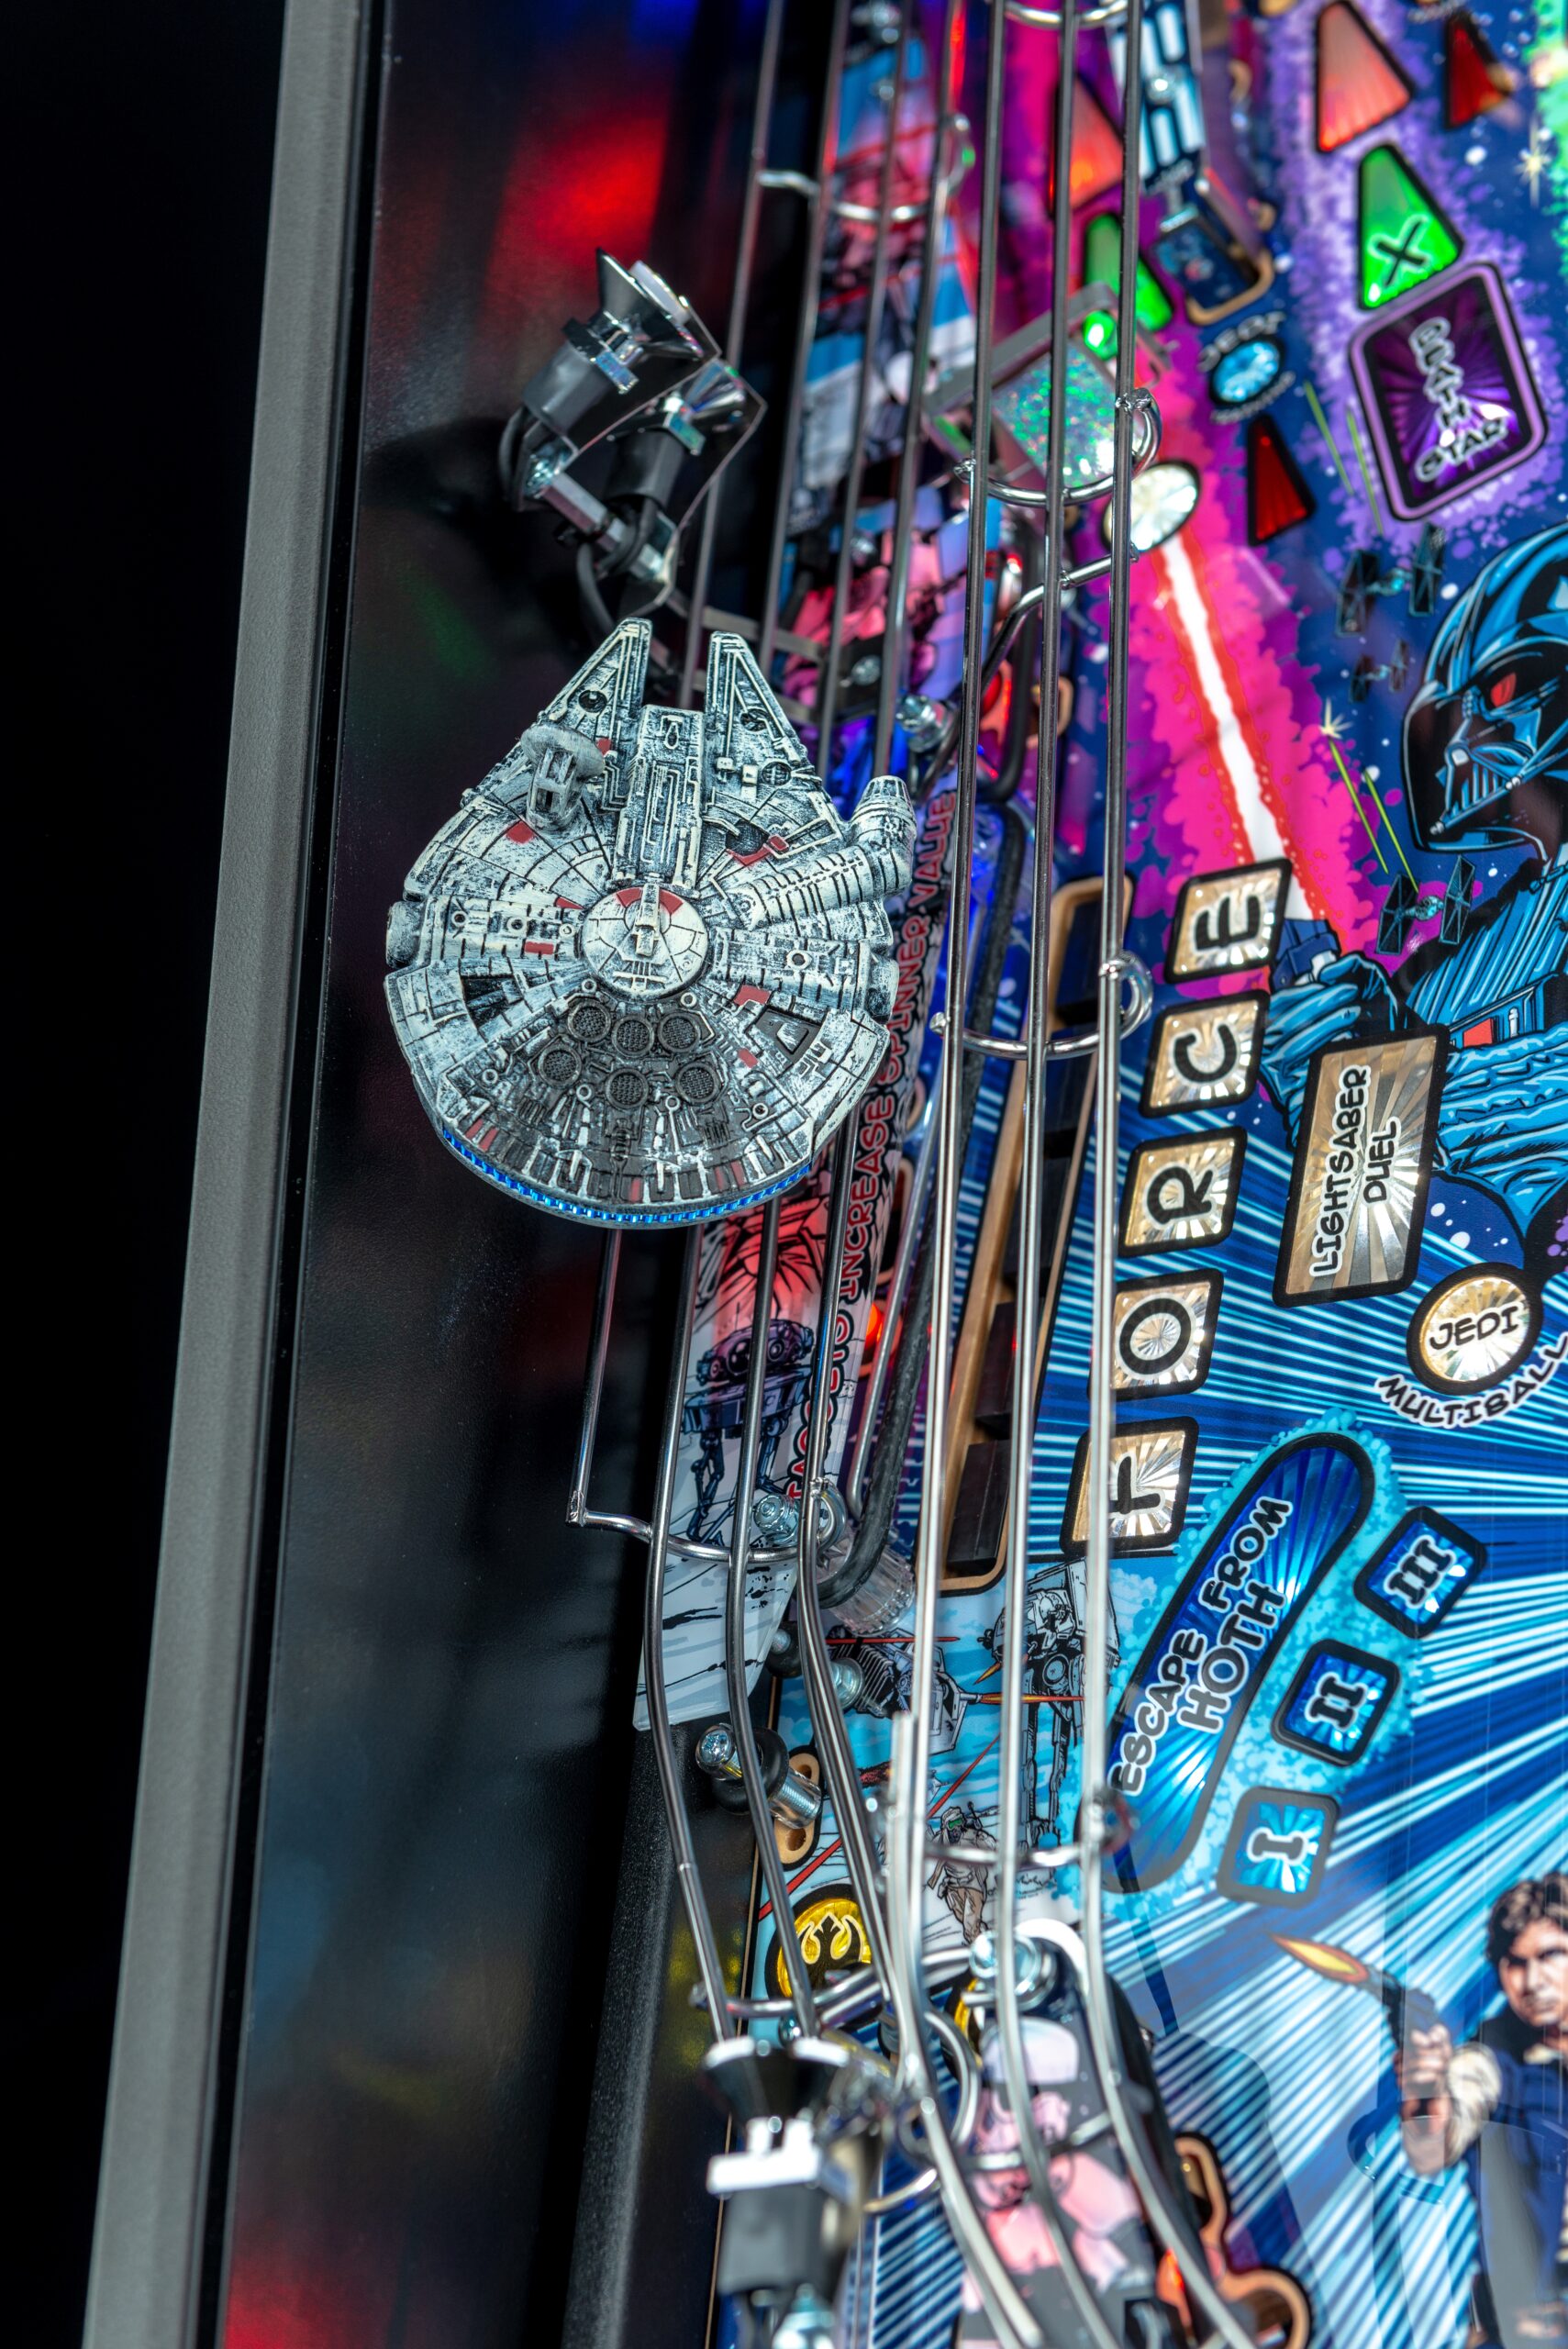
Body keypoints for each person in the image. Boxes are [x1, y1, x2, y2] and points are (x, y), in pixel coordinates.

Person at [1399, 1871, 1567, 2347]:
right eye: (1515, 1963)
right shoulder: (1491, 2056)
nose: (1532, 1981)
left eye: (1550, 1955)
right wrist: (1425, 2093)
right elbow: (1433, 2147)